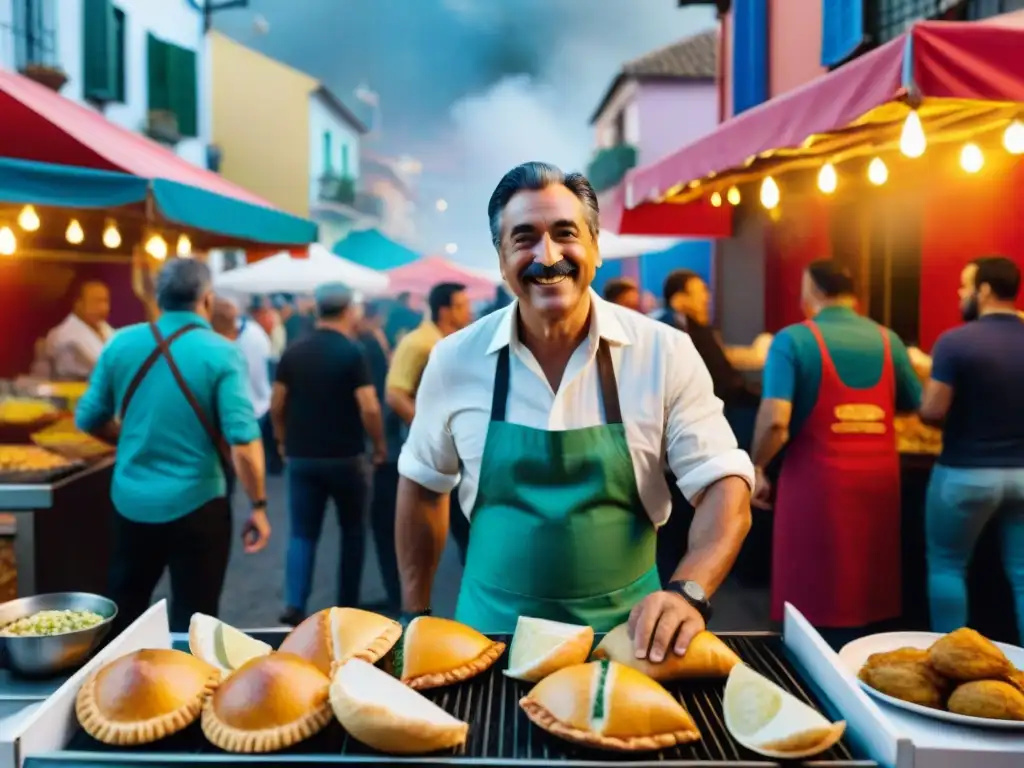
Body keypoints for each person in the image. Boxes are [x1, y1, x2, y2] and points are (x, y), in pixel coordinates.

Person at [396, 162, 753, 661]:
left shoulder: (663, 352)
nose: (547, 257)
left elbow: (724, 481)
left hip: (628, 642)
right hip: (487, 641)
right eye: (523, 239)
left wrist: (689, 591)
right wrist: (415, 617)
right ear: (501, 260)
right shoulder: (455, 359)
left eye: (565, 234)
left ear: (595, 247)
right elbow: (421, 484)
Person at [76, 259, 270, 634]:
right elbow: (243, 442)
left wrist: (128, 438)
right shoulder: (223, 351)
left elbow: (88, 417)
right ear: (207, 300)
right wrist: (258, 505)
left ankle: (112, 688)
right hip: (199, 505)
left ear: (158, 298)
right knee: (195, 619)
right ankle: (188, 688)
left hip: (130, 502)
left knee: (124, 610)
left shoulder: (121, 343)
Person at [751, 259, 921, 647]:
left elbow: (776, 419)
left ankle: (810, 666)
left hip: (816, 479)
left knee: (812, 588)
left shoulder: (792, 340)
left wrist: (757, 465)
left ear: (812, 290)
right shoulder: (888, 339)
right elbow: (914, 402)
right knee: (868, 581)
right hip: (880, 478)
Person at [919, 256, 1024, 640]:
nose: (960, 294)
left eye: (965, 285)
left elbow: (932, 410)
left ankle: (951, 665)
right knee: (1023, 577)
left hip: (965, 472)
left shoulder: (955, 342)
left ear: (984, 290)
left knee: (947, 566)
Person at [270, 283, 387, 626]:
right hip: (347, 457)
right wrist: (378, 444)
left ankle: (295, 604)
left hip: (302, 457)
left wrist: (281, 439)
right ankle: (346, 606)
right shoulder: (352, 352)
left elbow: (278, 403)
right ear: (349, 310)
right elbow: (368, 407)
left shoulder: (294, 351)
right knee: (352, 532)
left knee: (302, 533)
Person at [386, 282, 474, 563]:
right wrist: (434, 431)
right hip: (432, 451)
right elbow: (395, 394)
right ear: (445, 310)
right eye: (462, 305)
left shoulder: (451, 341)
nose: (468, 311)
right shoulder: (420, 343)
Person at [358, 301, 403, 611]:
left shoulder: (367, 345)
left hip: (388, 452)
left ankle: (400, 597)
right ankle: (399, 595)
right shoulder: (375, 344)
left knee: (386, 528)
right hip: (390, 449)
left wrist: (378, 446)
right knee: (388, 528)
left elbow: (376, 402)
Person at [45, 281, 114, 381]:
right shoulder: (66, 334)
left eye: (106, 301)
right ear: (79, 304)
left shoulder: (103, 327)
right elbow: (104, 364)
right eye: (97, 301)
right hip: (72, 391)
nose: (104, 308)